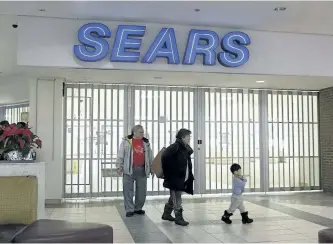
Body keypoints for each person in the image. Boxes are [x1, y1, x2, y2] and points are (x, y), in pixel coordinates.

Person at [116, 125, 153, 217]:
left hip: (142, 169)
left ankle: (138, 208)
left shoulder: (145, 142)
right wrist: (119, 166)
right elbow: (121, 154)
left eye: (143, 132)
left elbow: (150, 156)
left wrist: (152, 168)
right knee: (128, 190)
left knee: (141, 191)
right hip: (129, 169)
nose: (142, 134)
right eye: (140, 132)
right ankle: (129, 209)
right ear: (134, 132)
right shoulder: (126, 142)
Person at [161, 128, 194, 226]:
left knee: (174, 196)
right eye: (188, 137)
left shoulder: (184, 147)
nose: (190, 138)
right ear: (183, 137)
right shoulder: (175, 146)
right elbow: (164, 157)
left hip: (180, 178)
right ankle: (178, 217)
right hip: (174, 178)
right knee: (177, 197)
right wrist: (170, 173)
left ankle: (166, 214)